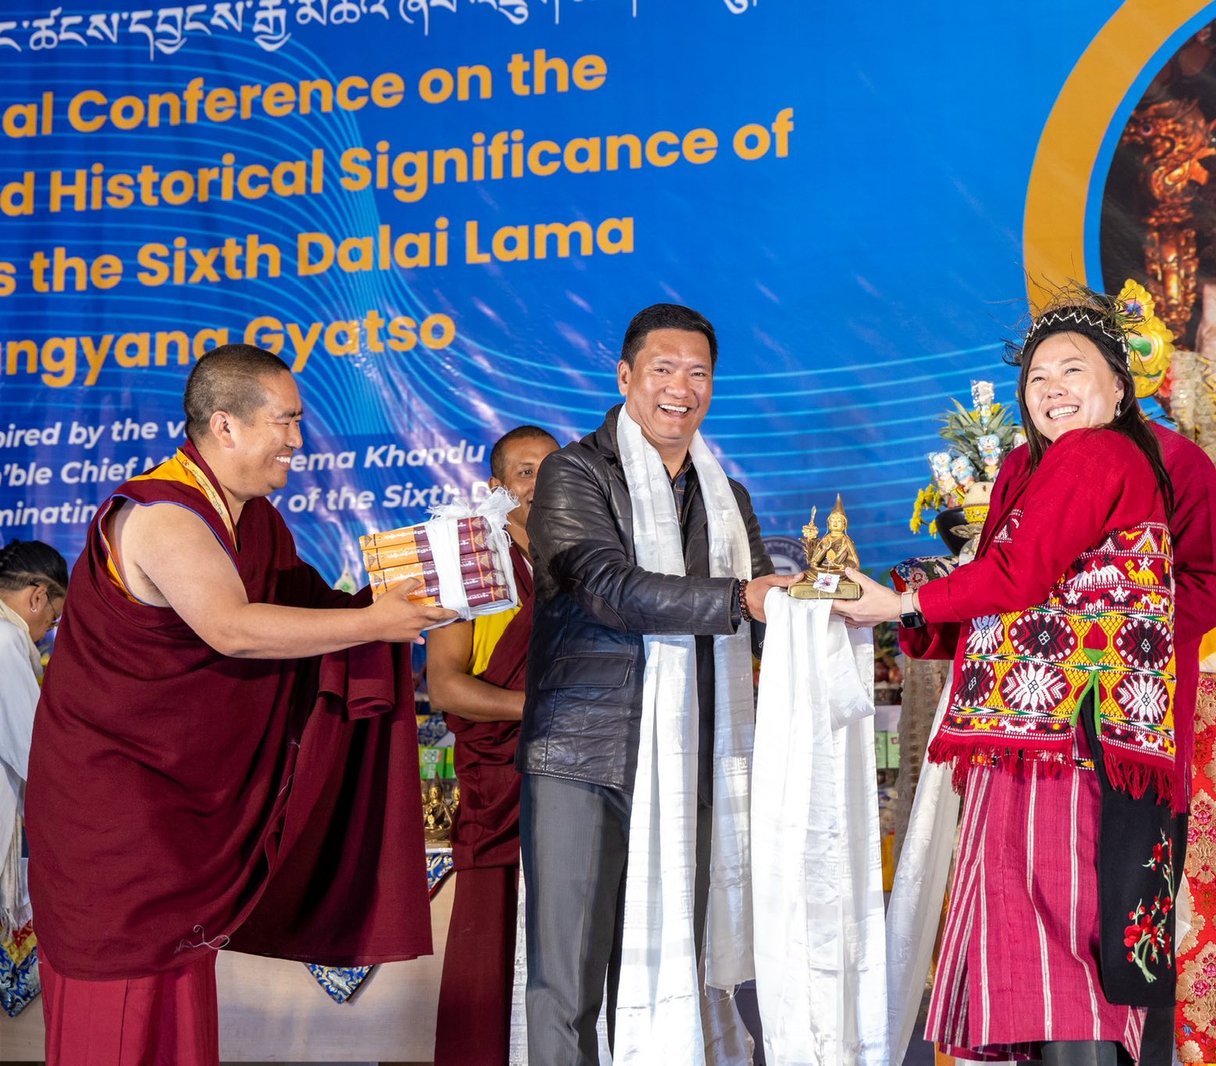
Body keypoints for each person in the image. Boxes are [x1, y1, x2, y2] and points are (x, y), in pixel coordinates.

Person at [26, 344, 452, 1066]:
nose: (297, 439)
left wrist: (408, 600)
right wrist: (374, 624)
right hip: (118, 811)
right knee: (120, 1004)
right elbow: (232, 629)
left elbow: (304, 611)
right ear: (225, 426)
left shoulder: (253, 521)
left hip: (181, 818)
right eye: (286, 421)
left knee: (178, 1003)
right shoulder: (162, 515)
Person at [840, 288, 1216, 1066]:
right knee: (1050, 928)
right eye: (1037, 376)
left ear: (1121, 386)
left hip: (1079, 733)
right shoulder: (1029, 463)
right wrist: (930, 609)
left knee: (1069, 925)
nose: (1052, 388)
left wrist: (1121, 634)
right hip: (1032, 732)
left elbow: (1197, 588)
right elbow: (1008, 585)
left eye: (1073, 370)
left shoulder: (1138, 456)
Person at [519, 303, 795, 1064]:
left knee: (687, 966)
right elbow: (609, 587)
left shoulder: (725, 496)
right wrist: (743, 599)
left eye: (699, 373)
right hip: (588, 758)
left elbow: (762, 610)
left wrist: (825, 610)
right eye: (663, 369)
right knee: (566, 986)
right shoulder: (573, 473)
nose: (682, 387)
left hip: (695, 763)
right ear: (626, 376)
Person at [429, 424, 558, 1066]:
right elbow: (447, 686)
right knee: (490, 953)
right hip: (500, 786)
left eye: (553, 470)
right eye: (526, 471)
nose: (541, 484)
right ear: (497, 488)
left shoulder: (588, 564)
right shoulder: (472, 564)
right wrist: (538, 709)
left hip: (578, 782)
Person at [0, 540, 67, 931]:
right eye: (54, 618)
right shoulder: (7, 641)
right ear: (38, 597)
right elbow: (33, 753)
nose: (47, 632)